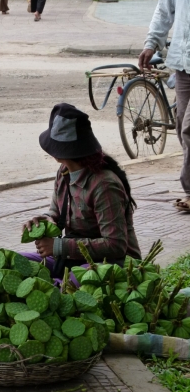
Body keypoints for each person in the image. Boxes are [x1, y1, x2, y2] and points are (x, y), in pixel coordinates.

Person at [22, 103, 141, 280]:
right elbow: (56, 211)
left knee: (67, 285)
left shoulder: (105, 185)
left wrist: (58, 247)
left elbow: (115, 245)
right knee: (16, 264)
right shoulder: (64, 172)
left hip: (112, 263)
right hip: (73, 260)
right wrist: (46, 220)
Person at [138, 0, 190, 212]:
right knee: (181, 126)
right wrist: (151, 43)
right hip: (183, 62)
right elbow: (164, 9)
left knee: (189, 127)